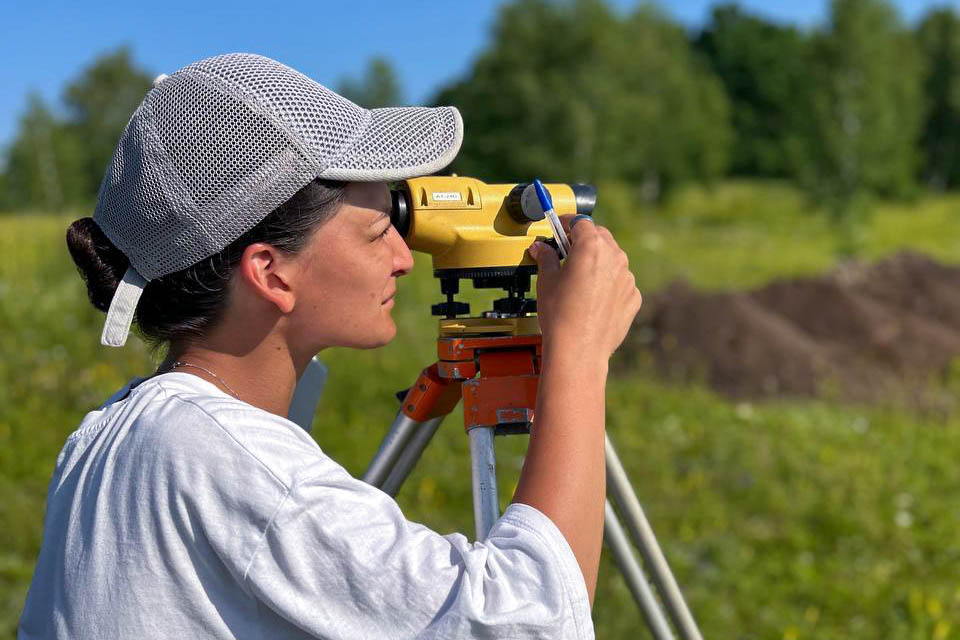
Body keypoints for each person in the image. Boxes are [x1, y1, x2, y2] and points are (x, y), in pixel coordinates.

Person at [18, 53, 642, 639]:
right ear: (270, 273)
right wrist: (579, 355)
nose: (405, 258)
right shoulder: (238, 468)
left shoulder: (107, 436)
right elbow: (532, 620)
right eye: (379, 232)